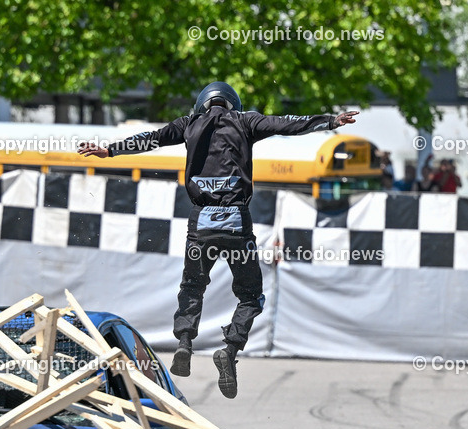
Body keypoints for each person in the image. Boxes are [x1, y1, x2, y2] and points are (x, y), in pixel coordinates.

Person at [80, 82, 357, 398]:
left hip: (201, 222)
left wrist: (110, 150)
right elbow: (289, 124)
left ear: (202, 104)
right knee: (251, 295)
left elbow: (151, 140)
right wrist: (331, 121)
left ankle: (185, 341)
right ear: (231, 104)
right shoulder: (246, 121)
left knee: (192, 286)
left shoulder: (187, 125)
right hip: (237, 223)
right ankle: (230, 349)